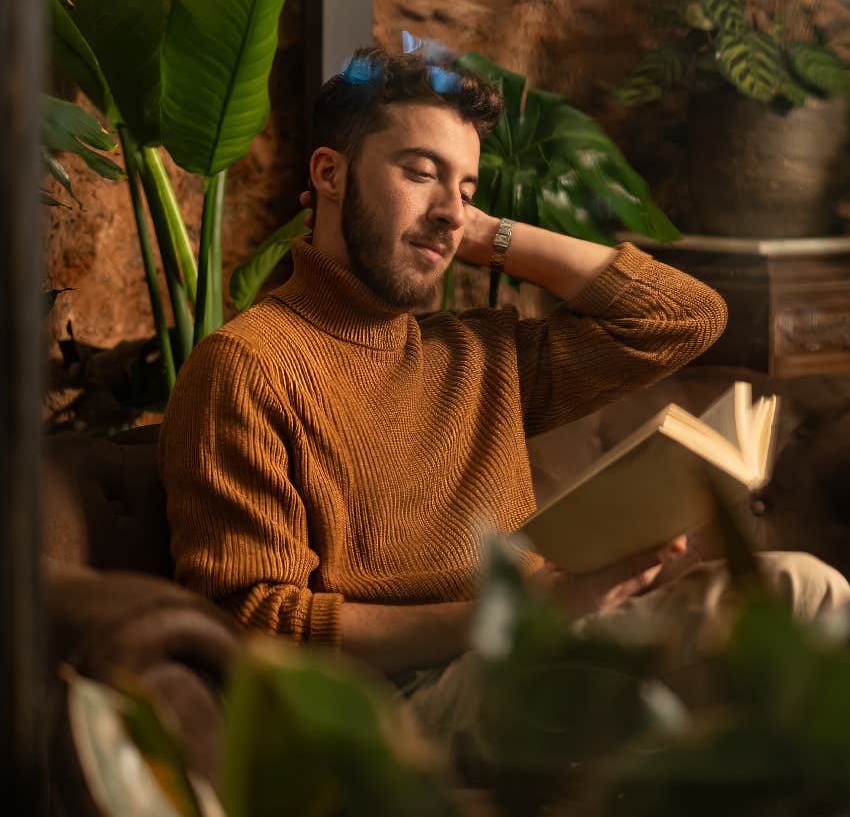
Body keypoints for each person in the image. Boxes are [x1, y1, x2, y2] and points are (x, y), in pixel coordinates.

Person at [159, 47, 850, 757]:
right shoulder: (249, 366)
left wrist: (489, 234)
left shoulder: (480, 353)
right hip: (399, 702)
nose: (447, 212)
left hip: (541, 644)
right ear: (330, 174)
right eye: (420, 173)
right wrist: (509, 617)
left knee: (810, 589)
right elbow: (253, 622)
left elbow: (684, 316)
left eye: (465, 189)